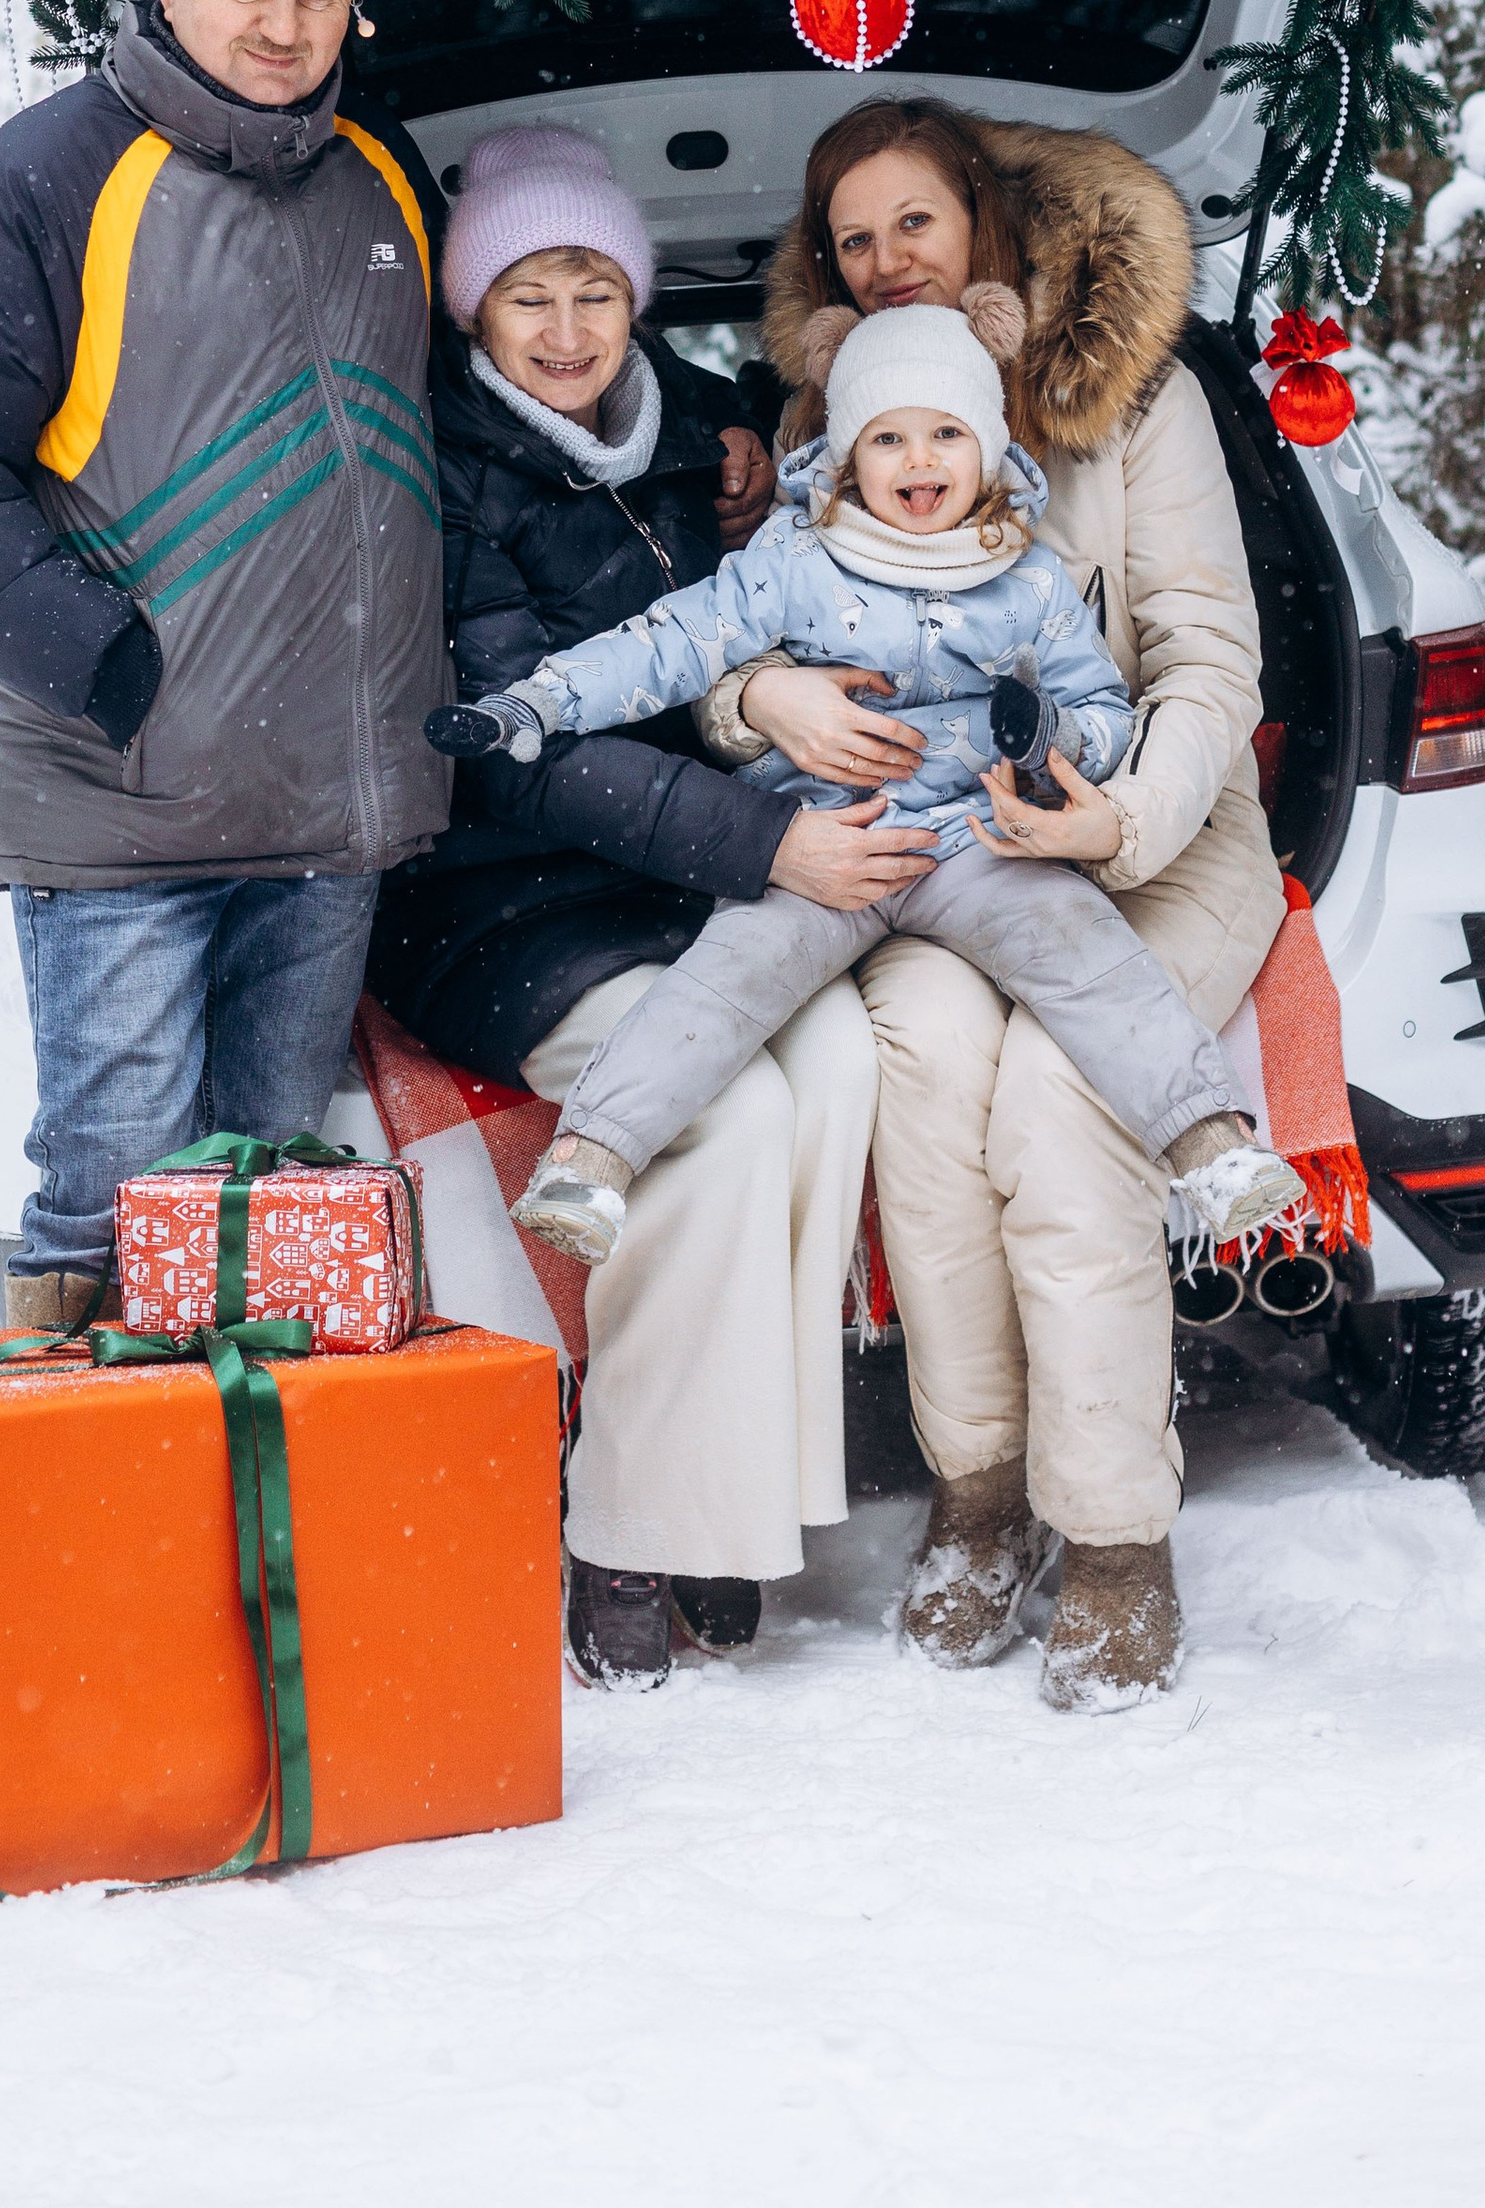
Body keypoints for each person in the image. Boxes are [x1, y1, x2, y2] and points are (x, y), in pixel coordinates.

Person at [703, 98, 1287, 1711]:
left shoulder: (1137, 404)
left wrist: (1121, 820)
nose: (888, 264)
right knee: (933, 1071)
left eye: (916, 226)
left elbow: (1209, 658)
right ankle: (980, 1488)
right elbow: (731, 646)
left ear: (985, 227)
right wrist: (768, 705)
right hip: (937, 857)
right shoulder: (835, 440)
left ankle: (1110, 1540)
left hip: (1154, 841)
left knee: (1060, 1093)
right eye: (854, 240)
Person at [0, 0, 448, 1333]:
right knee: (118, 1207)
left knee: (276, 1212)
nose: (283, 25)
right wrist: (98, 663)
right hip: (123, 809)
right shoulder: (40, 182)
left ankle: (250, 1549)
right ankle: (86, 1552)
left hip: (328, 821)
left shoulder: (385, 172)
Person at [434, 294, 1294, 1264]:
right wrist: (538, 704)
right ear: (847, 458)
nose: (918, 461)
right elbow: (668, 645)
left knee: (1090, 956)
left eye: (944, 434)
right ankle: (590, 1162)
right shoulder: (796, 558)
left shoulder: (1028, 580)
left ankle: (1210, 1146)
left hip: (976, 840)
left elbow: (1101, 713)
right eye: (886, 438)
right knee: (722, 983)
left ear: (986, 448)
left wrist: (1048, 737)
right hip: (826, 842)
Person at [367, 125, 898, 1690]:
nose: (566, 330)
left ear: (636, 300)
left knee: (844, 1069)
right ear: (475, 310)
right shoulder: (439, 472)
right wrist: (768, 847)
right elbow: (517, 752)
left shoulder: (694, 436)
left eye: (594, 289)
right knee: (715, 1122)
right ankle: (622, 1525)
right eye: (528, 295)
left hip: (679, 874)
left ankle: (731, 1506)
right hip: (501, 901)